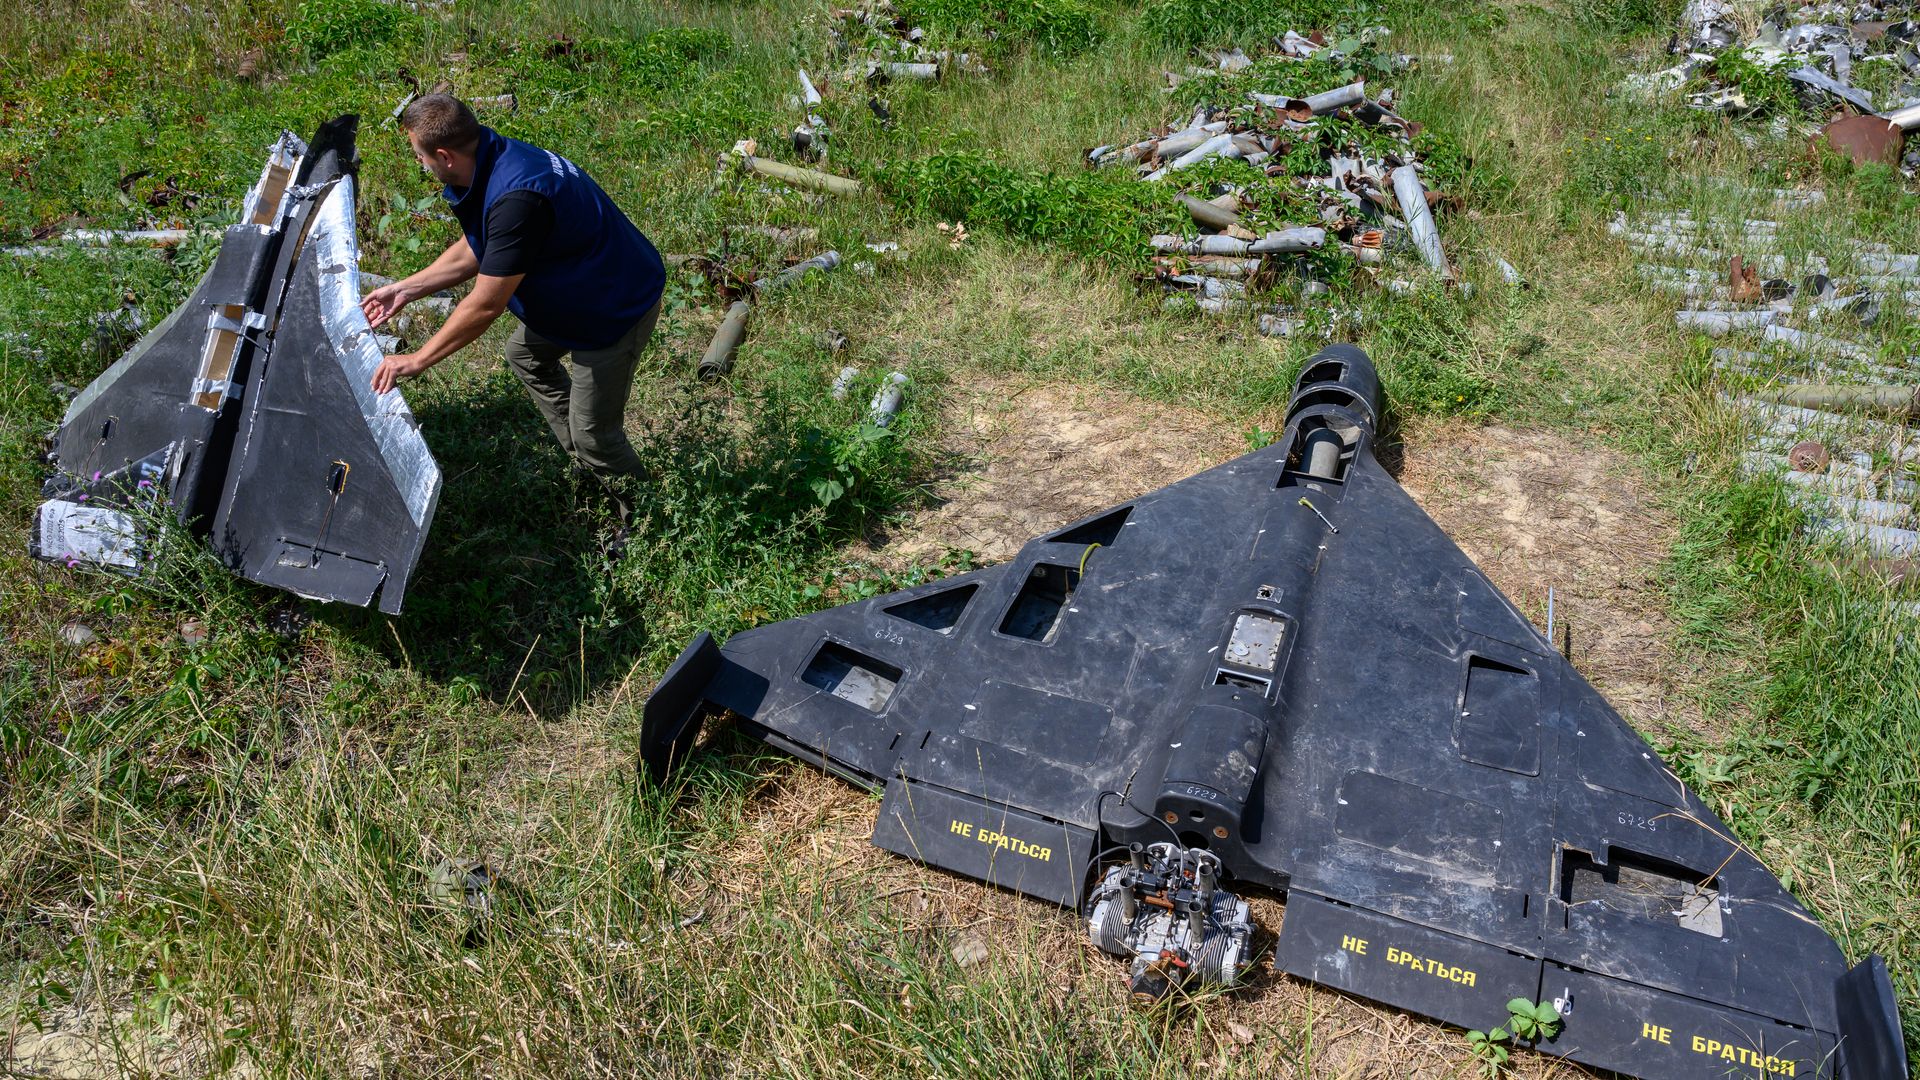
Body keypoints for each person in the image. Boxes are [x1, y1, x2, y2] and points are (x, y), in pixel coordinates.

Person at [361, 94, 665, 530]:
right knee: (525, 354)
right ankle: (594, 471)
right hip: (585, 289)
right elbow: (483, 244)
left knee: (596, 435)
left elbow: (486, 303)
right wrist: (407, 289)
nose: (420, 166)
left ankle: (647, 524)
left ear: (443, 156)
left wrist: (418, 358)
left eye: (420, 157)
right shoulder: (492, 157)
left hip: (614, 308)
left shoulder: (518, 195)